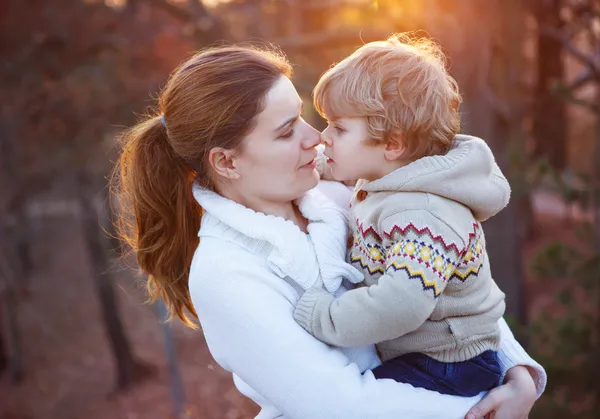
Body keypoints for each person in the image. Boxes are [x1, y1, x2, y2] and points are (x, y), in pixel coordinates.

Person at [111, 44, 546, 419]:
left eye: (301, 117)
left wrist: (516, 372)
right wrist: (483, 407)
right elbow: (340, 405)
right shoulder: (225, 274)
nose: (315, 136)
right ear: (227, 162)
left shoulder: (340, 199)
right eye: (286, 133)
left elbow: (446, 291)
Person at [294, 34, 510, 399]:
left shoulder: (423, 214)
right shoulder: (389, 175)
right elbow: (349, 170)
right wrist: (303, 165)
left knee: (347, 402)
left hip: (448, 363)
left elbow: (402, 305)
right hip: (426, 354)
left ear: (392, 144)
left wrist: (325, 317)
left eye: (339, 128)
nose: (323, 137)